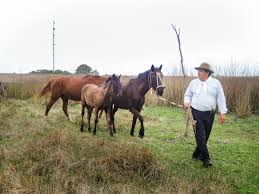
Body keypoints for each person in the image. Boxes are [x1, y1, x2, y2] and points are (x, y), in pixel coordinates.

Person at [184, 62, 227, 167]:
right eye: (198, 70)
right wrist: (186, 101)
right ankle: (206, 159)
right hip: (196, 113)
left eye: (201, 70)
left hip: (210, 114)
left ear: (207, 72)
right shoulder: (193, 83)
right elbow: (187, 94)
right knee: (200, 136)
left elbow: (221, 98)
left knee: (205, 136)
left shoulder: (216, 83)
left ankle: (197, 152)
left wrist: (223, 112)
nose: (198, 72)